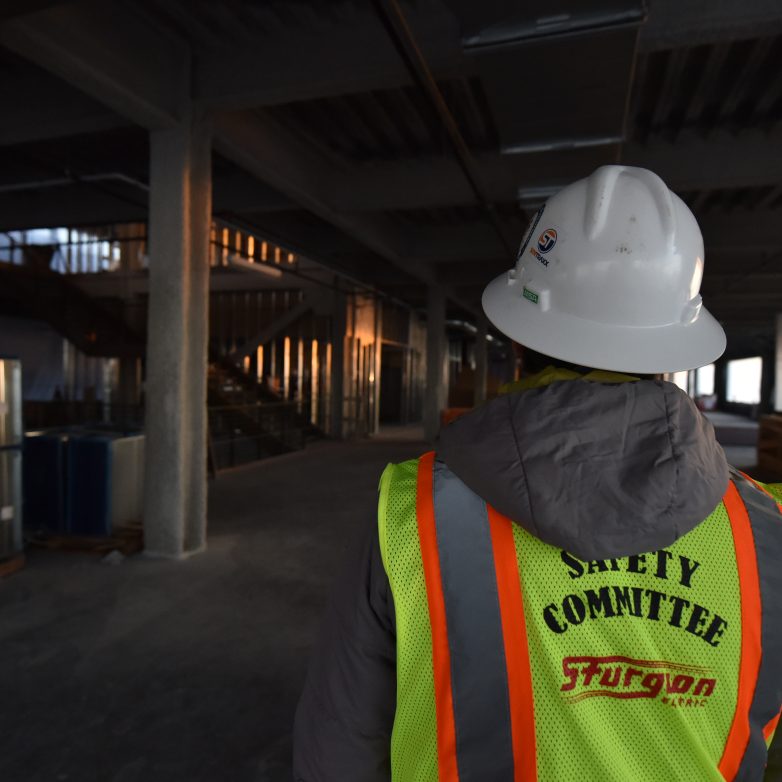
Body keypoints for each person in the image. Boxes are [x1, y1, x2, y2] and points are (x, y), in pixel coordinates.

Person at [293, 165, 782, 781]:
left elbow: (339, 745)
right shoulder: (767, 534)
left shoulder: (411, 515)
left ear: (520, 340)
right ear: (672, 349)